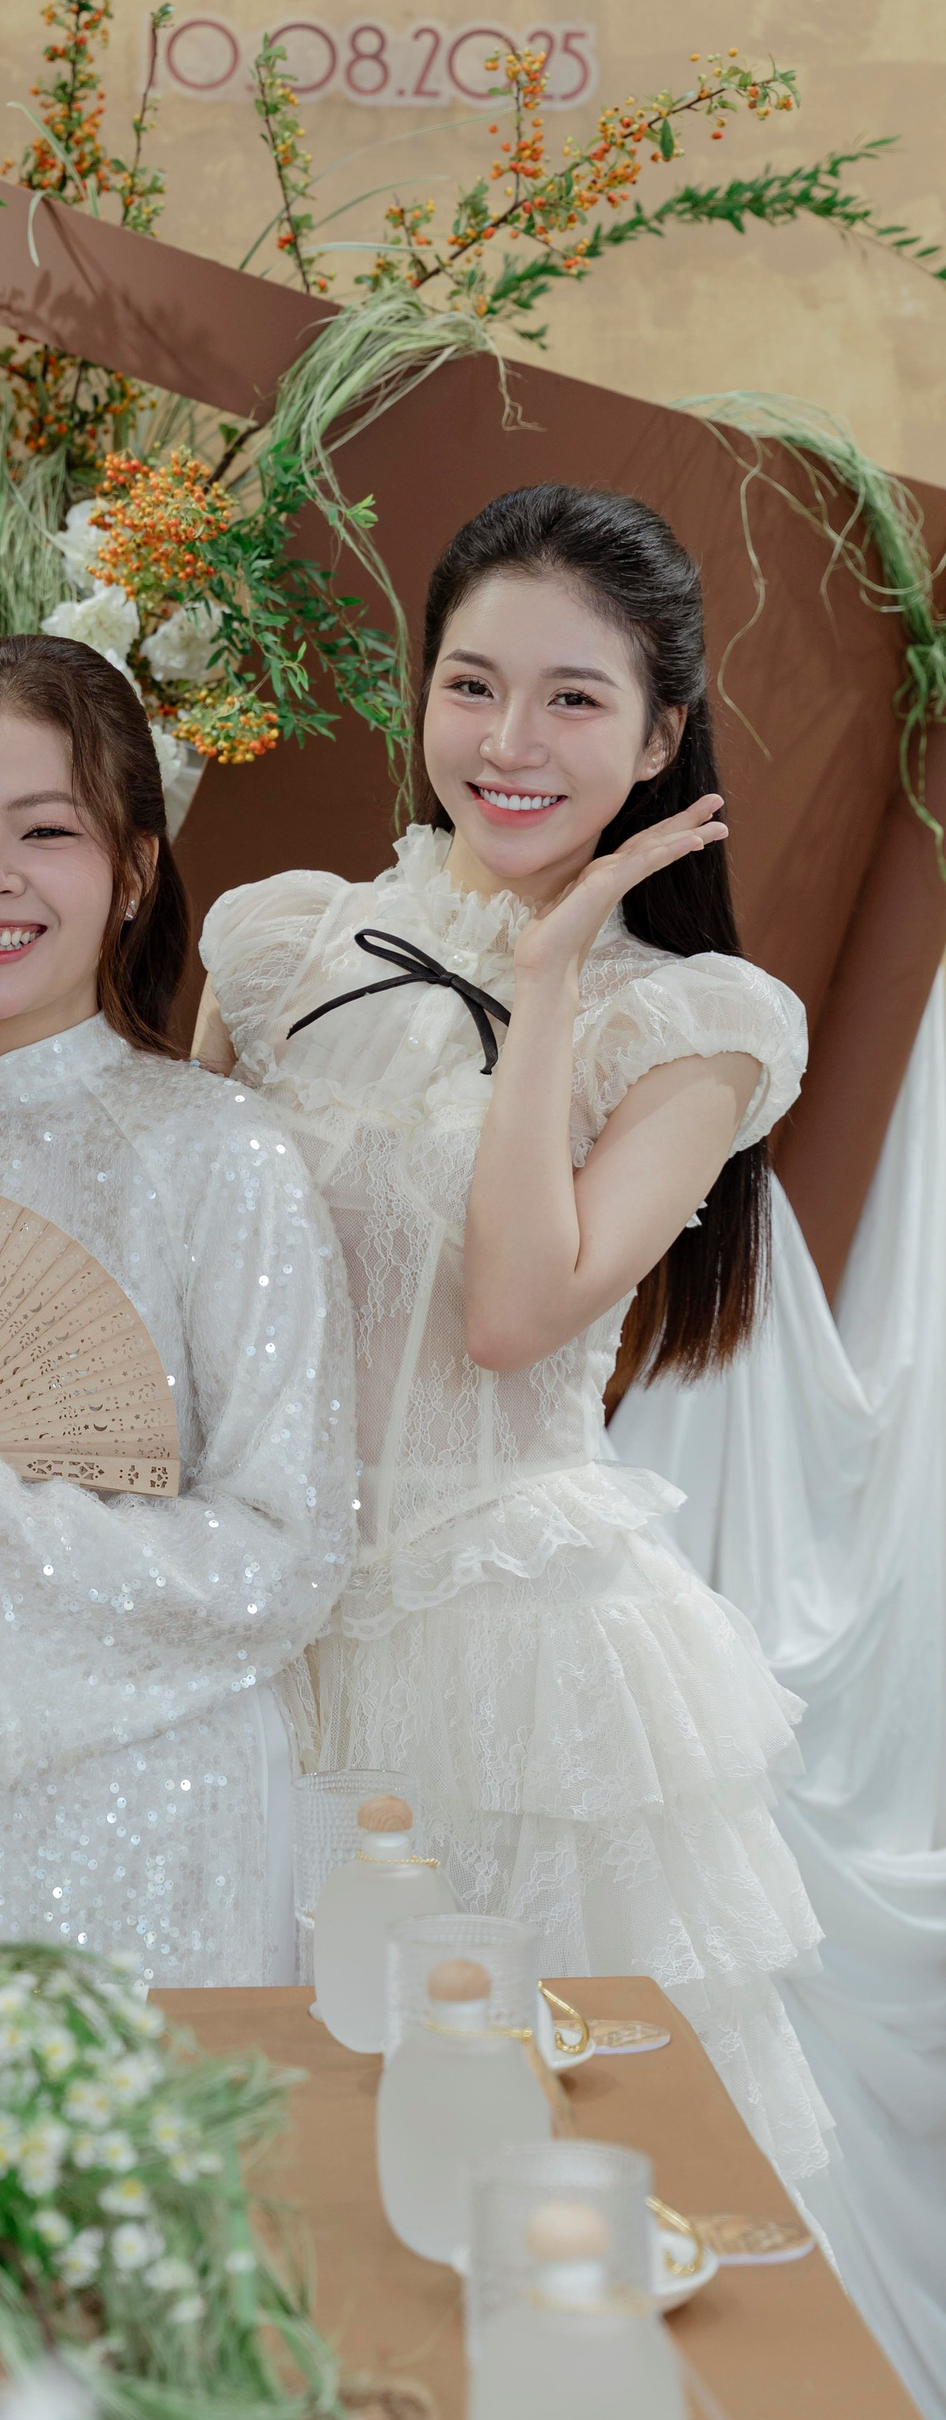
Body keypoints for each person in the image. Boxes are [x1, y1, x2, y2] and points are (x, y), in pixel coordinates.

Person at [195, 482, 828, 2178]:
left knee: (526, 2164)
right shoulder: (277, 942)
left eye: (574, 698)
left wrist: (546, 979)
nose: (510, 742)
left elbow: (511, 1314)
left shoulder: (694, 1026)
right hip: (253, 1628)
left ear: (660, 736)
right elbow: (182, 1294)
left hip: (512, 1657)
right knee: (262, 2161)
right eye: (472, 684)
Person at [0, 637, 357, 1986]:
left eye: (45, 832)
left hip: (148, 1816)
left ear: (135, 873)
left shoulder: (223, 1157)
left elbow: (289, 1555)